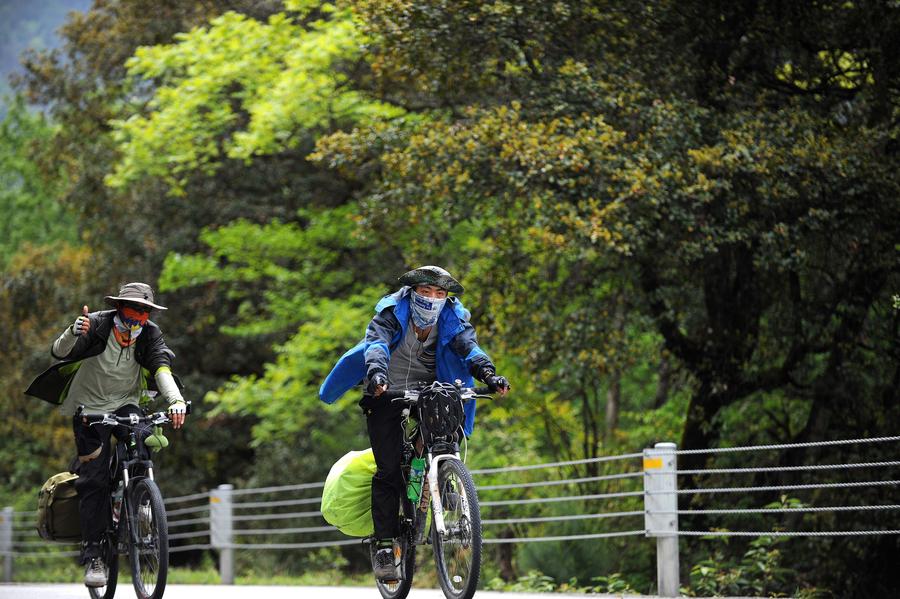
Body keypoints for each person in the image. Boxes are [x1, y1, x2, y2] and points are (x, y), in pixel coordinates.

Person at [319, 266, 509, 580]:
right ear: (412, 292)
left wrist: (489, 374)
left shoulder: (453, 316)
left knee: (446, 423)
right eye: (426, 291)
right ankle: (383, 545)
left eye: (440, 293)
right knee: (389, 469)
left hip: (429, 388)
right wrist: (377, 375)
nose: (433, 299)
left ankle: (443, 473)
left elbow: (469, 348)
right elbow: (377, 344)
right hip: (387, 388)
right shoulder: (392, 311)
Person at [25, 282, 187, 588]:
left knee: (142, 438)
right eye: (133, 308)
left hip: (126, 403)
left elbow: (161, 367)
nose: (138, 315)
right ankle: (94, 554)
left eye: (145, 311)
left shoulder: (150, 334)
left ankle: (140, 502)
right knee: (94, 480)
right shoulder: (97, 324)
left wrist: (175, 400)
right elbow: (59, 352)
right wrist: (73, 331)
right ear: (118, 307)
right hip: (88, 409)